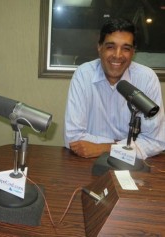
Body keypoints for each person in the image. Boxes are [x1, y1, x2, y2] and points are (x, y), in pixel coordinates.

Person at [64, 18, 165, 159]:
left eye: (126, 48)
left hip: (132, 165)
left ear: (133, 52)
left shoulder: (147, 78)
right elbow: (74, 138)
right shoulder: (83, 74)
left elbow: (155, 141)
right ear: (99, 47)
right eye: (111, 47)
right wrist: (127, 146)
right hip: (89, 163)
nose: (118, 55)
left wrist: (104, 148)